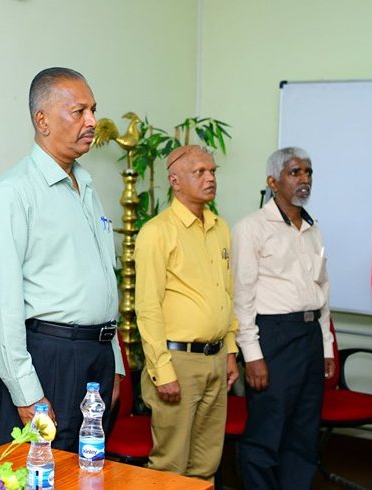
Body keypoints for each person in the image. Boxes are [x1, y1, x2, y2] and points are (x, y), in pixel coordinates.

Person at [0, 67, 124, 452]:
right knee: (42, 471)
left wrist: (114, 363)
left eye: (93, 110)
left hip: (95, 356)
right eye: (79, 112)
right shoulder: (13, 193)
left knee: (88, 471)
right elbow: (1, 305)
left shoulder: (86, 186)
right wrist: (25, 391)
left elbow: (102, 283)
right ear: (42, 121)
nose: (92, 121)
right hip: (49, 357)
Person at [232, 147, 335, 489]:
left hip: (309, 335)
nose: (304, 179)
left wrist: (326, 347)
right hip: (274, 336)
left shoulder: (313, 229)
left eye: (308, 172)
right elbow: (242, 297)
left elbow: (322, 290)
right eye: (295, 172)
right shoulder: (251, 228)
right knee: (268, 430)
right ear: (273, 182)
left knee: (304, 432)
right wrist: (253, 356)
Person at [134, 144, 239, 480]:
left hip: (216, 358)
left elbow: (227, 293)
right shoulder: (157, 232)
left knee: (207, 463)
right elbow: (147, 307)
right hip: (178, 362)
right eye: (200, 172)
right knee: (170, 467)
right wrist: (162, 370)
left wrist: (230, 351)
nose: (210, 178)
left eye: (213, 172)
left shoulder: (221, 228)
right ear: (175, 181)